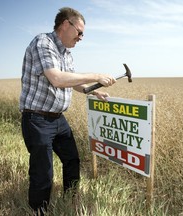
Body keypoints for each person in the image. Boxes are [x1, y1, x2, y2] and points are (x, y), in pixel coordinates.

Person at [19, 7, 116, 214]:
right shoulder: (43, 43)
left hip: (58, 119)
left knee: (72, 159)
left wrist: (92, 91)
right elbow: (57, 78)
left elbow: (72, 82)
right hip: (37, 119)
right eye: (79, 32)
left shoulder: (66, 53)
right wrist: (96, 75)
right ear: (65, 24)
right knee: (43, 172)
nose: (81, 37)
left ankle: (70, 199)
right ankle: (38, 211)